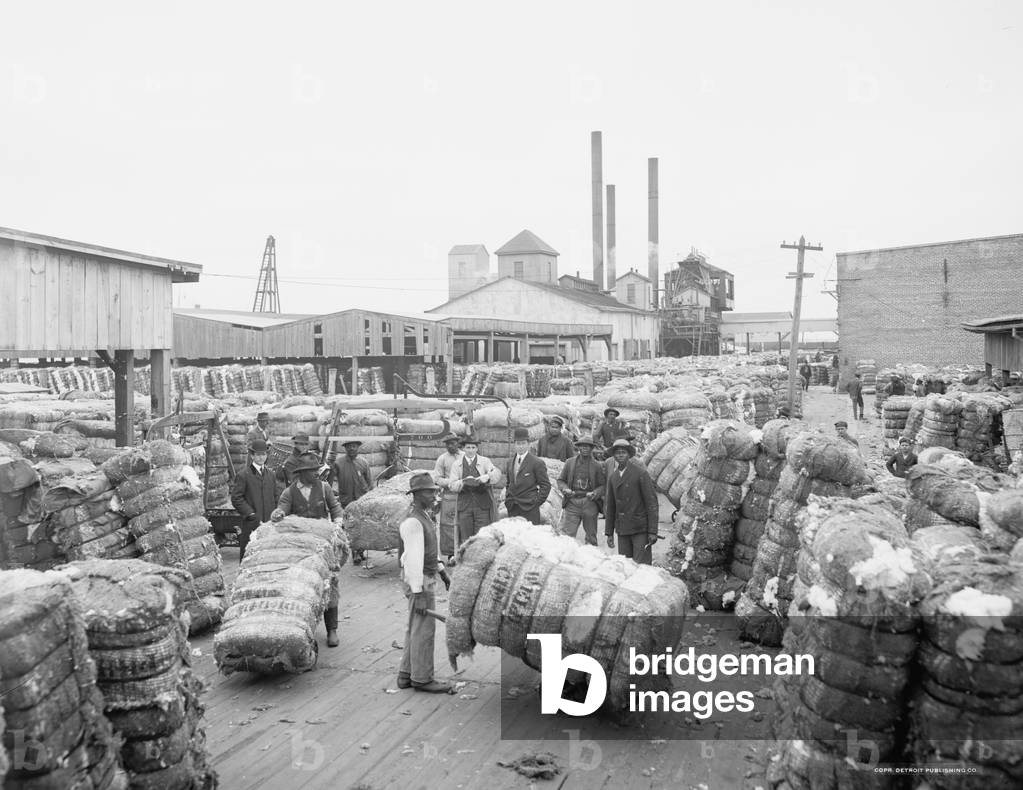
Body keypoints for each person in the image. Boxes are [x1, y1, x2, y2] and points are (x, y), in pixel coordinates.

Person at [271, 452, 344, 647]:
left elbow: (335, 508)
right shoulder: (289, 492)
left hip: (322, 545)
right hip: (301, 548)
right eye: (312, 471)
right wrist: (278, 514)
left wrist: (337, 524)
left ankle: (332, 630)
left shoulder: (324, 487)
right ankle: (303, 630)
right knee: (301, 588)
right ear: (302, 473)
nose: (316, 474)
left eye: (317, 470)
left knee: (330, 583)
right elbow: (282, 510)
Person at [396, 472, 451, 693]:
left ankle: (406, 674)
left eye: (434, 491)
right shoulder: (413, 522)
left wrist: (442, 570)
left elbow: (428, 550)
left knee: (415, 627)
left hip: (425, 576)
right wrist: (418, 593)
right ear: (417, 495)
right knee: (424, 630)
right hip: (419, 581)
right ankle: (422, 678)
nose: (434, 495)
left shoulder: (424, 516)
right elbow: (412, 560)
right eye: (429, 492)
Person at [604, 439, 659, 565]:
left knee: (642, 566)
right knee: (625, 565)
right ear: (614, 456)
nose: (621, 455)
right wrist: (609, 533)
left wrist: (652, 531)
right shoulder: (613, 477)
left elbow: (651, 503)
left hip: (639, 527)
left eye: (623, 452)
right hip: (623, 529)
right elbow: (611, 507)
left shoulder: (640, 473)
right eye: (617, 453)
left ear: (629, 454)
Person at [229, 438, 276, 563]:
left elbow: (275, 496)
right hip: (251, 524)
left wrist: (274, 516)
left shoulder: (271, 475)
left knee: (268, 557)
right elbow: (236, 498)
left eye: (264, 454)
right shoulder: (244, 475)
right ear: (252, 455)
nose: (261, 458)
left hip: (269, 524)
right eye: (258, 455)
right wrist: (250, 514)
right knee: (249, 556)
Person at [448, 435, 498, 548]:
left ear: (477, 448)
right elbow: (451, 485)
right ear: (464, 449)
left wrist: (487, 477)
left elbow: (496, 474)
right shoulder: (457, 464)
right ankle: (466, 562)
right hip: (465, 506)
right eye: (468, 447)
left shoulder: (485, 461)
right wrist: (463, 482)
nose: (471, 450)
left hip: (482, 506)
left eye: (473, 447)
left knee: (482, 537)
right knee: (466, 538)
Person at [557, 437, 606, 546]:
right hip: (572, 502)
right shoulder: (570, 462)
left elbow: (603, 486)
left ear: (591, 449)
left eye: (588, 446)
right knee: (567, 537)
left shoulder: (597, 466)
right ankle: (567, 559)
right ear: (578, 447)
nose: (585, 448)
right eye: (582, 446)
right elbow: (561, 480)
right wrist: (565, 489)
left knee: (591, 537)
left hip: (590, 503)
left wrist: (595, 493)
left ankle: (591, 560)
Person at [334, 439, 373, 566]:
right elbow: (333, 481)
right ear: (345, 449)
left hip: (361, 500)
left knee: (362, 526)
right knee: (351, 527)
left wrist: (371, 496)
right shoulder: (338, 463)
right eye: (349, 446)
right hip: (347, 501)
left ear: (358, 448)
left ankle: (360, 551)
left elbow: (369, 482)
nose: (351, 449)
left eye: (354, 446)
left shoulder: (363, 463)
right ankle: (354, 553)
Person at [505, 427, 552, 524]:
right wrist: (508, 497)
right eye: (518, 444)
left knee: (529, 537)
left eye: (523, 443)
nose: (520, 447)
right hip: (513, 507)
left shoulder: (537, 462)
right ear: (514, 444)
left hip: (529, 508)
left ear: (528, 444)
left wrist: (536, 503)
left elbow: (546, 485)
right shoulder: (510, 462)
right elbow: (508, 483)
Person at [432, 433, 463, 565]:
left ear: (458, 443)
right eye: (448, 444)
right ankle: (451, 554)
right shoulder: (442, 459)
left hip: (464, 494)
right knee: (449, 525)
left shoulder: (464, 456)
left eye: (453, 443)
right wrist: (451, 482)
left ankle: (463, 551)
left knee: (464, 522)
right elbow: (437, 478)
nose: (451, 446)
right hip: (449, 496)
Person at [276, 433, 312, 497]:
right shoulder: (291, 462)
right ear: (296, 444)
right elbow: (296, 483)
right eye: (301, 444)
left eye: (306, 444)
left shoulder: (307, 458)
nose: (304, 447)